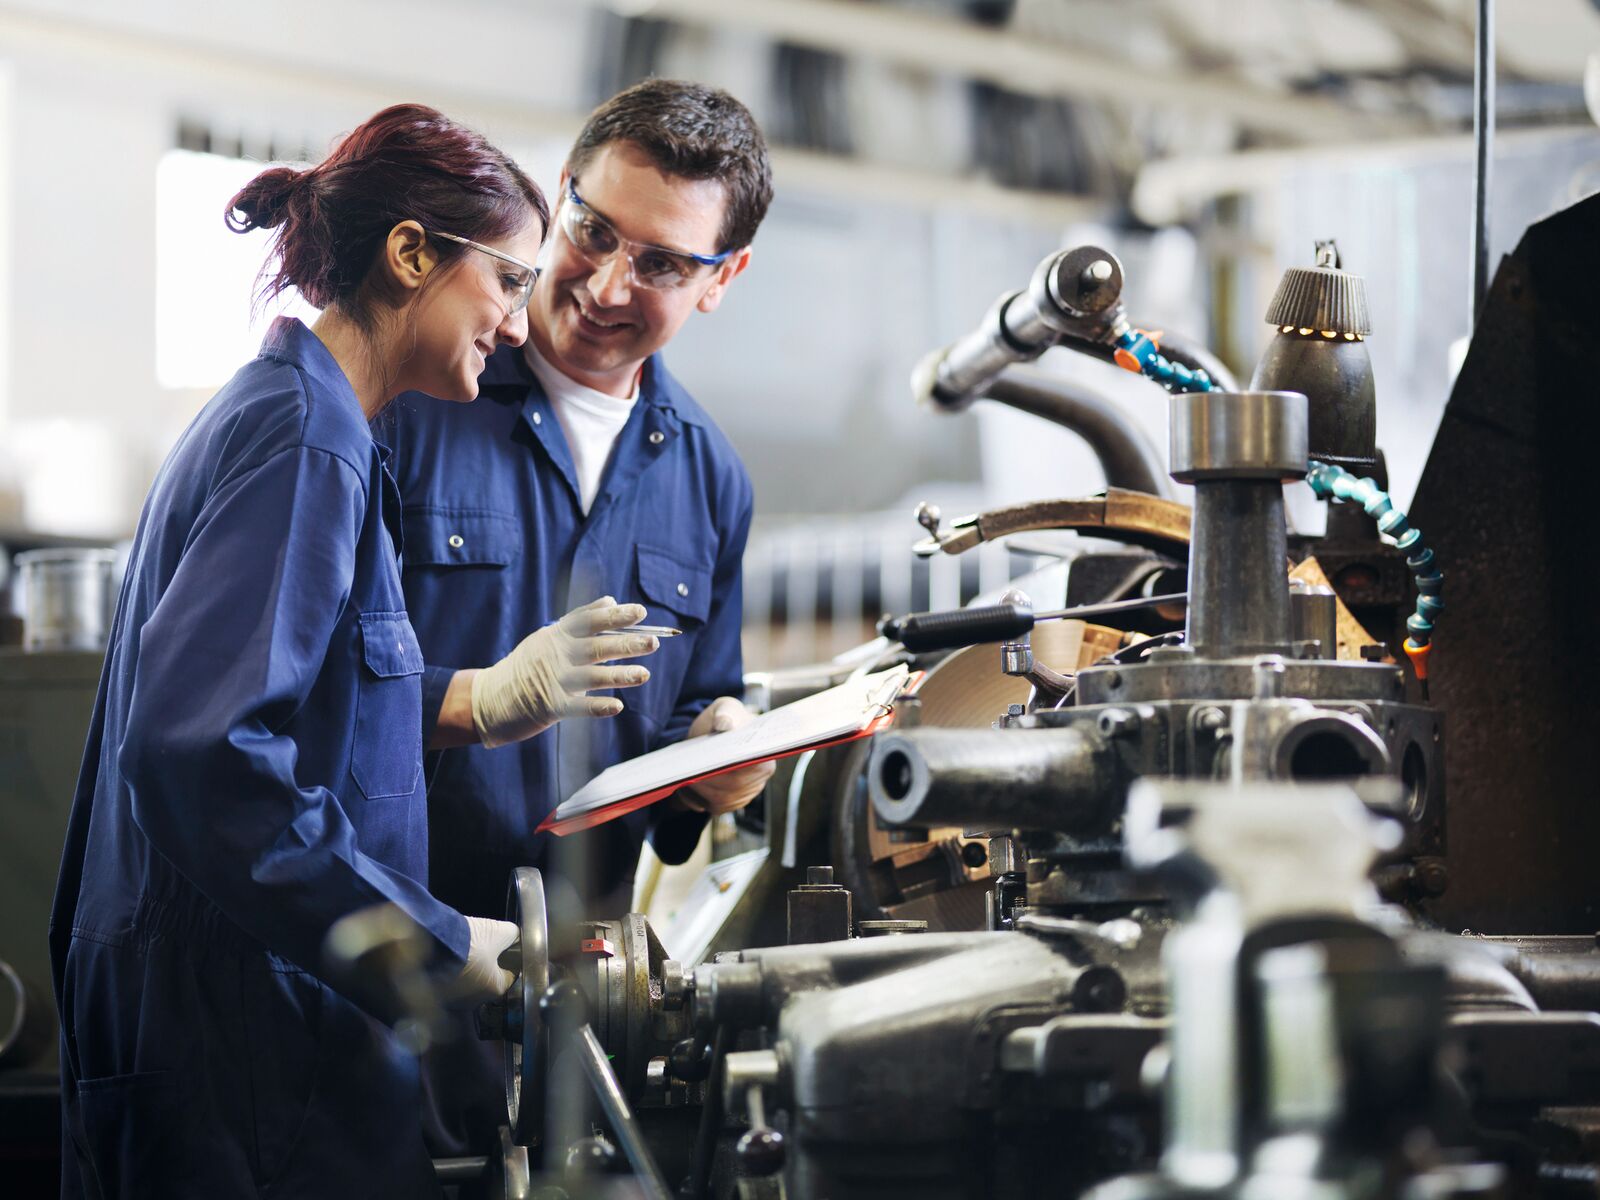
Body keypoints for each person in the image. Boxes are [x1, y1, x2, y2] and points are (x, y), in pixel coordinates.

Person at [49, 103, 657, 1199]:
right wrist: (431, 943)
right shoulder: (304, 441)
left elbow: (293, 697)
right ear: (411, 253)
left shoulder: (305, 425)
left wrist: (471, 699)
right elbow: (202, 754)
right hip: (244, 1060)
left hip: (244, 1043)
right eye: (510, 282)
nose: (520, 325)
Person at [387, 79, 775, 1151]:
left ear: (723, 278)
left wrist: (721, 754)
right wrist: (476, 698)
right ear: (558, 194)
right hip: (385, 974)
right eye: (592, 230)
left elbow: (689, 734)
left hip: (582, 1003)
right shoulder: (418, 397)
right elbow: (302, 691)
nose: (607, 283)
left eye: (660, 262)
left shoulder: (709, 481)